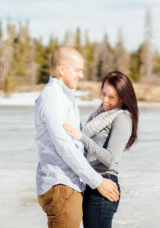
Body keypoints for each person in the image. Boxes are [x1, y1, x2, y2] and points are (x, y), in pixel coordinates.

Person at [34, 46, 120, 228]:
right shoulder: (54, 99)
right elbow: (64, 147)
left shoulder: (64, 98)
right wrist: (98, 182)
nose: (81, 75)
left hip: (67, 185)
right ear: (62, 69)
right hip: (62, 184)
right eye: (78, 70)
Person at [63, 71, 139, 228]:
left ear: (123, 97)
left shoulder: (122, 118)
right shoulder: (99, 115)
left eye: (111, 97)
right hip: (92, 183)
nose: (105, 100)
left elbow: (110, 159)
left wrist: (81, 137)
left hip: (104, 187)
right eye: (103, 93)